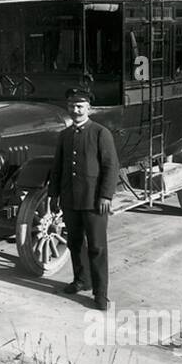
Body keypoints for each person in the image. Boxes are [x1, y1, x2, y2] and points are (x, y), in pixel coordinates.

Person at [47, 87, 119, 310]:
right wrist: (54, 194)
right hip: (70, 200)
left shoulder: (100, 133)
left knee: (97, 247)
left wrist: (106, 195)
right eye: (71, 106)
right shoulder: (65, 135)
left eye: (80, 106)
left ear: (89, 108)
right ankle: (81, 280)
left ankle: (100, 293)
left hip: (94, 201)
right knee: (75, 243)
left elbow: (111, 167)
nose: (75, 110)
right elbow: (57, 167)